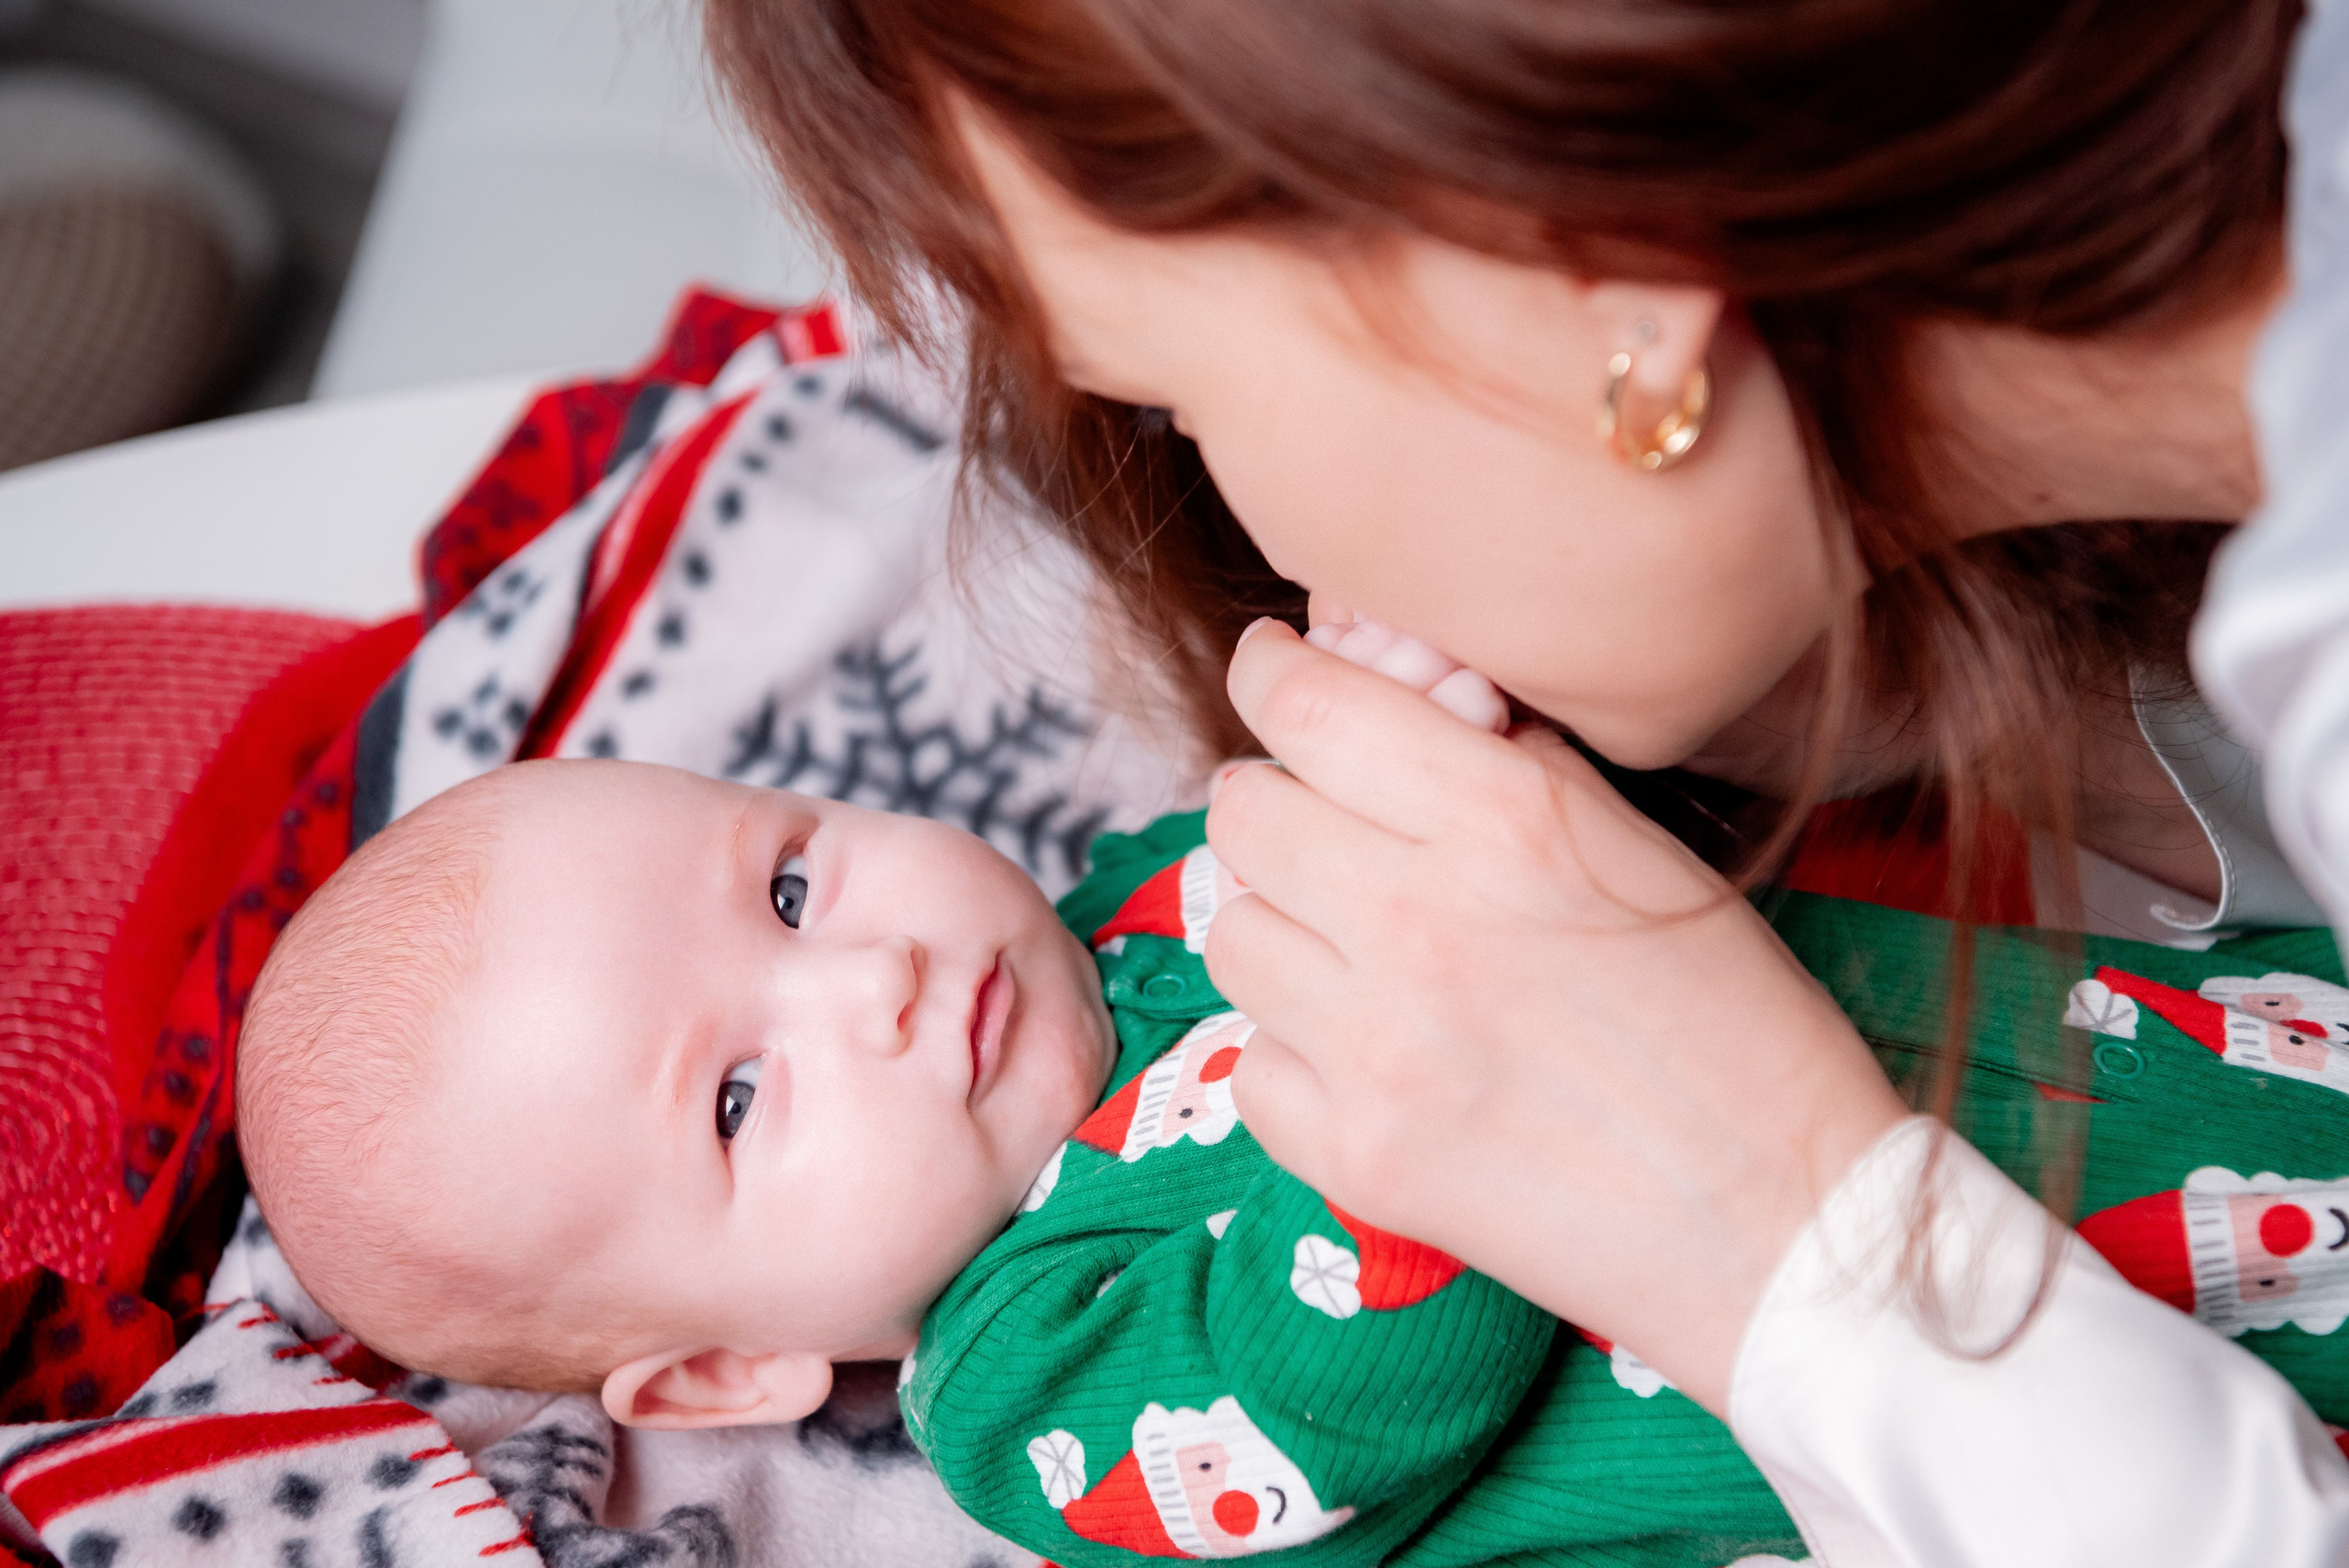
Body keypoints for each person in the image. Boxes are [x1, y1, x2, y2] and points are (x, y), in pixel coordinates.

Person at [702, 0, 2349, 1561]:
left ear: (1592, 288)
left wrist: (1784, 1224)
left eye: (1170, 398)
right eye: (732, 1097)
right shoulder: (1014, 1363)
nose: (878, 982)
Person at [237, 737, 2349, 1568]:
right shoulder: (1032, 1392)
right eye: (733, 1097)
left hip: (2135, 1043)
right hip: (2078, 1399)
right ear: (725, 1379)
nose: (865, 981)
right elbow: (1338, 1381)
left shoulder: (1160, 887)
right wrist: (1428, 1024)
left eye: (787, 889)